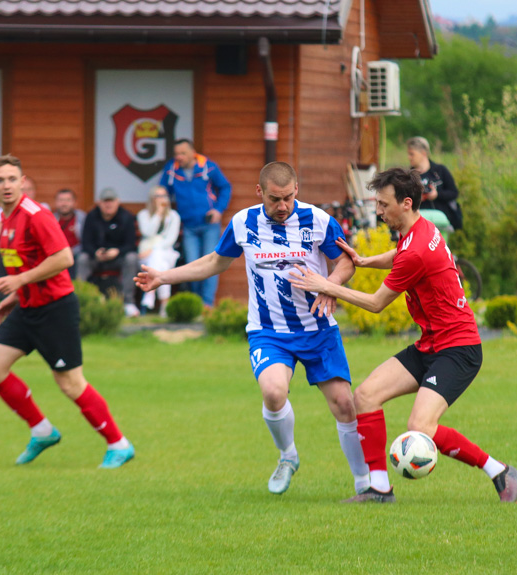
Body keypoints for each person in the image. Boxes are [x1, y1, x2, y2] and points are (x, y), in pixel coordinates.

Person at [288, 167, 517, 504]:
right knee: (365, 396)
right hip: (431, 344)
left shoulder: (418, 249)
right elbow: (399, 255)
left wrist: (327, 285)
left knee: (421, 426)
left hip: (458, 349)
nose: (379, 212)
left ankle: (498, 471)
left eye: (383, 205)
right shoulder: (418, 231)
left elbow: (376, 303)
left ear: (406, 203)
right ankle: (379, 488)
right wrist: (365, 262)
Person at [137, 161, 369, 496]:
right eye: (275, 199)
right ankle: (288, 455)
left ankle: (365, 486)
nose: (283, 206)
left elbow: (347, 259)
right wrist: (164, 277)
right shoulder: (243, 222)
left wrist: (329, 285)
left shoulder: (318, 220)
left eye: (288, 197)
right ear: (259, 192)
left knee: (344, 404)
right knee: (273, 393)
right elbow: (215, 261)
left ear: (296, 190)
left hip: (317, 329)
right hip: (269, 331)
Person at [0, 154, 134, 469]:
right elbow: (27, 262)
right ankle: (42, 431)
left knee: (69, 383)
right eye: (0, 180)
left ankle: (119, 444)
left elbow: (64, 257)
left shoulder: (36, 215)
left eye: (12, 179)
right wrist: (16, 294)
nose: (6, 185)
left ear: (23, 182)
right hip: (27, 306)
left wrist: (20, 280)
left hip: (55, 309)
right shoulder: (6, 217)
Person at [159, 138, 232, 308]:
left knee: (211, 263)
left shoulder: (208, 166)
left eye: (183, 153)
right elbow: (163, 191)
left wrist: (218, 210)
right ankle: (196, 304)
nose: (179, 157)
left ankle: (207, 304)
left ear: (193, 152)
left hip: (209, 224)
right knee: (192, 263)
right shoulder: (171, 169)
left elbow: (225, 187)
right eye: (176, 154)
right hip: (188, 225)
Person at [78, 188, 140, 317]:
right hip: (96, 258)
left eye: (111, 201)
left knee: (132, 258)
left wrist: (117, 251)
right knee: (82, 258)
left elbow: (131, 244)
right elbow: (85, 243)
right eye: (105, 201)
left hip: (118, 257)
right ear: (99, 203)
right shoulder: (91, 216)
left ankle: (128, 302)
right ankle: (80, 300)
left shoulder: (126, 216)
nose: (108, 204)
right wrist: (95, 252)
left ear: (118, 202)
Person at [137, 185, 180, 316]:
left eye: (164, 196)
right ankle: (164, 304)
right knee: (162, 266)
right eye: (158, 196)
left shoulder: (173, 216)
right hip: (147, 256)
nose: (162, 199)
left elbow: (170, 240)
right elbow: (148, 232)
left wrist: (153, 248)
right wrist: (158, 214)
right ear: (152, 198)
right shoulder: (143, 215)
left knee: (158, 256)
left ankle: (149, 295)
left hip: (166, 252)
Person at [406, 136, 462, 230]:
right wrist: (417, 198)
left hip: (440, 222)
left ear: (423, 153)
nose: (409, 157)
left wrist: (437, 195)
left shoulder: (440, 171)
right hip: (418, 224)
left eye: (412, 154)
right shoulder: (408, 176)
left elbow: (454, 193)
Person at [53, 188, 87, 279]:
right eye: (61, 200)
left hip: (77, 253)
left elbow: (87, 241)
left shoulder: (83, 218)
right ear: (56, 202)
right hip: (57, 254)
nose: (64, 204)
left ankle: (79, 288)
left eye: (68, 200)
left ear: (75, 203)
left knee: (83, 258)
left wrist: (72, 251)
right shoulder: (51, 219)